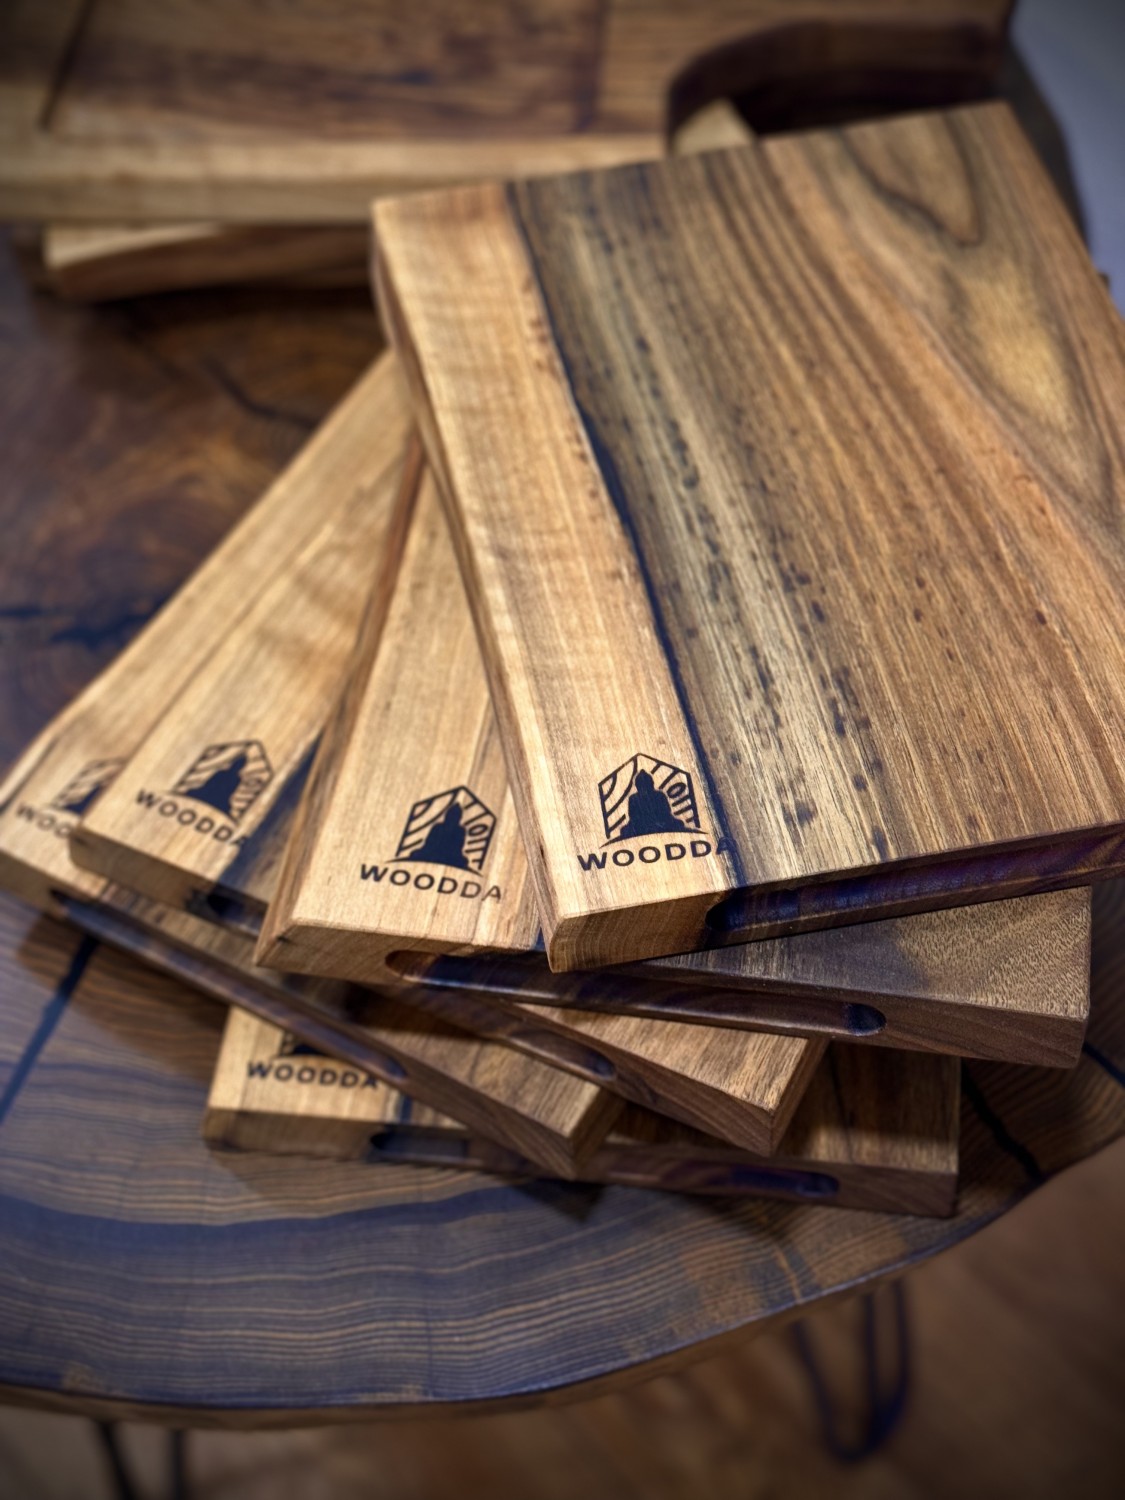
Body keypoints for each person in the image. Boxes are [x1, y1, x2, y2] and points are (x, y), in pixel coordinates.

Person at [618, 769, 688, 839]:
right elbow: (633, 816)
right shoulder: (633, 798)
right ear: (637, 786)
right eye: (641, 785)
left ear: (651, 784)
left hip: (660, 822)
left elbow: (666, 812)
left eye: (646, 784)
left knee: (678, 823)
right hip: (641, 825)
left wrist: (659, 821)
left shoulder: (659, 795)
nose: (644, 788)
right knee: (625, 830)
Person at [183, 751, 248, 817]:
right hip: (209, 793)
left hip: (219, 798)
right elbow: (210, 784)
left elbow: (228, 792)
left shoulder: (236, 779)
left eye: (239, 765)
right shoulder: (222, 773)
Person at [408, 800, 470, 869]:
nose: (452, 818)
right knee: (415, 853)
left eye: (455, 816)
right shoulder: (437, 827)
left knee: (462, 861)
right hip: (433, 852)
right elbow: (429, 843)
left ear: (459, 818)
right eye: (450, 815)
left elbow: (457, 848)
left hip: (450, 856)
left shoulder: (460, 831)